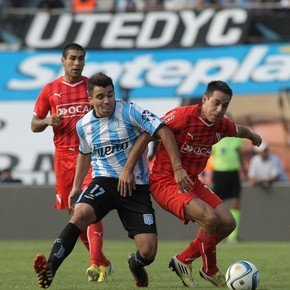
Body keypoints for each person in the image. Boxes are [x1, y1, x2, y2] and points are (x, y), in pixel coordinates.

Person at [33, 72, 191, 288]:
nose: (107, 101)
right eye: (100, 97)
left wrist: (178, 168)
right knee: (79, 215)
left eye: (110, 95)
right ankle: (50, 267)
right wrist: (76, 186)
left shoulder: (128, 110)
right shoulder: (84, 125)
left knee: (148, 251)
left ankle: (135, 264)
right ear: (90, 99)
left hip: (136, 186)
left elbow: (162, 129)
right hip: (104, 182)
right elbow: (85, 153)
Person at [127, 81, 262, 287]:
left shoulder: (221, 125)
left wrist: (253, 136)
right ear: (205, 99)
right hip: (165, 182)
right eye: (216, 103)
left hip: (192, 182)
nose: (219, 110)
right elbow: (147, 135)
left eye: (224, 105)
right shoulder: (182, 116)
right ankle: (208, 268)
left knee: (227, 223)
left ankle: (184, 260)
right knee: (209, 218)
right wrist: (128, 169)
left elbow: (238, 130)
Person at [31, 43, 111, 283]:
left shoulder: (91, 87)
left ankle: (96, 264)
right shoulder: (50, 90)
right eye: (73, 59)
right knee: (74, 214)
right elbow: (34, 124)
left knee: (89, 209)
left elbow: (106, 112)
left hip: (89, 157)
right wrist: (47, 121)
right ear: (63, 60)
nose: (77, 63)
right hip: (63, 160)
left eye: (81, 59)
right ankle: (103, 261)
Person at [211, 134, 246, 243]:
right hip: (219, 173)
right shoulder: (214, 137)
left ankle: (233, 236)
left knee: (235, 203)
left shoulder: (236, 138)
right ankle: (215, 233)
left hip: (233, 173)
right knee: (217, 205)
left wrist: (244, 169)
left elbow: (239, 154)